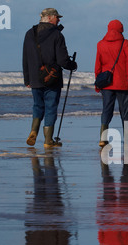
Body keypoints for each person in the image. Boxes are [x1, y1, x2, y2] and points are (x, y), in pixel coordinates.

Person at [23, 8, 77, 148]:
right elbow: (62, 60)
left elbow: (25, 58)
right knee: (51, 107)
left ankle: (33, 130)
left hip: (34, 77)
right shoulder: (57, 35)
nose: (59, 20)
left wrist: (27, 79)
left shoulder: (29, 33)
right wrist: (72, 65)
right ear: (49, 18)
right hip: (52, 77)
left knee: (37, 105)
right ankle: (48, 141)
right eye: (57, 17)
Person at [95, 20, 128, 148]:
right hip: (123, 83)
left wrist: (97, 81)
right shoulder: (126, 43)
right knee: (125, 111)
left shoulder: (100, 44)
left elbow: (98, 64)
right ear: (121, 29)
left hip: (106, 84)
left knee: (106, 109)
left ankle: (103, 138)